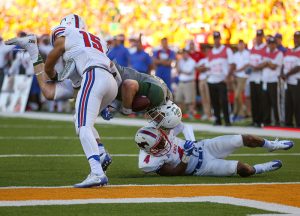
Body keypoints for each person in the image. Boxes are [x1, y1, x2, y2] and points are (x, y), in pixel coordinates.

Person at [7, 14, 118, 188]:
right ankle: (101, 153)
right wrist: (109, 100)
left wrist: (50, 71)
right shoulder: (96, 42)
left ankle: (97, 172)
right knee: (76, 116)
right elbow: (49, 92)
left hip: (92, 75)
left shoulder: (68, 32)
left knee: (83, 125)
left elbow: (57, 50)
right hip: (108, 81)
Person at [135, 126, 294, 177]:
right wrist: (186, 157)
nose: (165, 141)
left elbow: (184, 125)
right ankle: (261, 168)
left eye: (162, 138)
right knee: (243, 169)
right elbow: (175, 172)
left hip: (205, 146)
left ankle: (271, 145)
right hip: (203, 167)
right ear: (150, 149)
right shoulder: (148, 162)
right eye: (160, 143)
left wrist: (192, 140)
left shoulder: (164, 131)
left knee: (244, 138)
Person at [206, 31, 234, 126]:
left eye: (218, 38)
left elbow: (232, 64)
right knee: (214, 101)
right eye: (215, 38)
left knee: (224, 100)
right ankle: (217, 119)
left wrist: (228, 76)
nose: (216, 40)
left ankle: (227, 120)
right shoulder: (210, 52)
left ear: (220, 39)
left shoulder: (226, 50)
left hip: (222, 79)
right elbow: (208, 66)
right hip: (212, 79)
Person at [258, 36, 283, 126]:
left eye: (273, 44)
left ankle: (277, 121)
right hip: (265, 81)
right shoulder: (265, 53)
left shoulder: (279, 53)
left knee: (275, 102)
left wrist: (267, 63)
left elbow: (274, 66)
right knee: (266, 102)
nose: (271, 45)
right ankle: (266, 121)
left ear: (275, 44)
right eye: (270, 44)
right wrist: (268, 63)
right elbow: (260, 65)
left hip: (274, 80)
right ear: (268, 44)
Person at [281, 31, 300, 127]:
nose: (296, 39)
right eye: (295, 37)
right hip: (288, 81)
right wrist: (282, 73)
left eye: (298, 38)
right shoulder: (289, 50)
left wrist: (286, 74)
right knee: (288, 103)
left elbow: (298, 67)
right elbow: (283, 64)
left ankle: (298, 124)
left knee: (297, 103)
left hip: (297, 81)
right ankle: (288, 123)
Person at [248, 29, 267, 127]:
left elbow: (265, 62)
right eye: (257, 36)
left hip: (260, 77)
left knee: (260, 100)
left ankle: (260, 121)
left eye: (260, 36)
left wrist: (256, 67)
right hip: (252, 77)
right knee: (254, 100)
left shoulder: (265, 48)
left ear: (262, 36)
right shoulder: (253, 48)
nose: (259, 38)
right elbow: (249, 62)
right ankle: (254, 120)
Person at [231, 40, 250, 121]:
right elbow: (234, 65)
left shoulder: (247, 53)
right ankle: (241, 113)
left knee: (237, 95)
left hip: (244, 76)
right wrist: (233, 74)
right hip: (237, 76)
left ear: (244, 45)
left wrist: (237, 70)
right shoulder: (235, 55)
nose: (240, 46)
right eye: (239, 45)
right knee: (237, 96)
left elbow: (246, 65)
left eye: (242, 45)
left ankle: (239, 113)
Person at [175, 49, 196, 118]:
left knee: (189, 101)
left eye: (185, 53)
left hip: (189, 82)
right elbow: (178, 71)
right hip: (181, 82)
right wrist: (178, 61)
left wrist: (181, 71)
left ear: (188, 54)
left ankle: (191, 115)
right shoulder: (181, 61)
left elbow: (189, 72)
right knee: (178, 99)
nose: (184, 55)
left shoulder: (192, 61)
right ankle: (179, 115)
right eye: (183, 53)